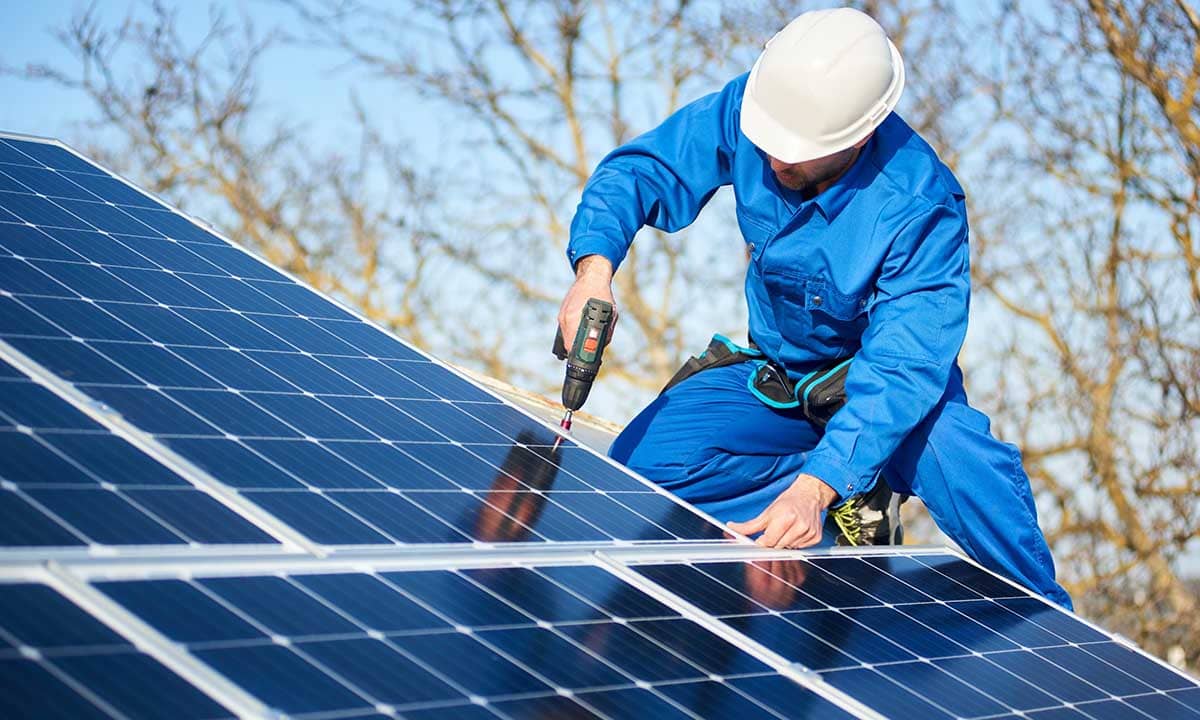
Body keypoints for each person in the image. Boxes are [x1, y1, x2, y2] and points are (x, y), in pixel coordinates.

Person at [557, 7, 1071, 608]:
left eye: (796, 154)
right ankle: (851, 494)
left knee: (964, 465)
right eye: (768, 146)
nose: (774, 163)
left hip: (873, 390)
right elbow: (645, 169)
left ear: (856, 137)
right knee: (638, 469)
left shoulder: (920, 205)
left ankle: (1055, 622)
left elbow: (903, 368)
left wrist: (820, 483)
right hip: (778, 380)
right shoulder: (756, 107)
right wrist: (594, 272)